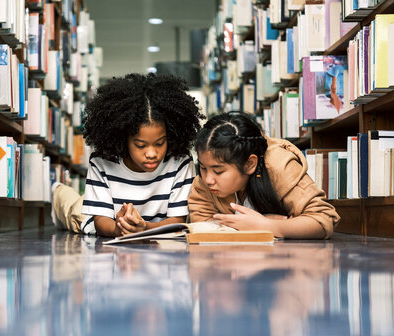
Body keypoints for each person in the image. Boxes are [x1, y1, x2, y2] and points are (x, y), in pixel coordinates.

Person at [52, 73, 203, 236]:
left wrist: (144, 229)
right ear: (123, 139)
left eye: (160, 143)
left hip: (148, 227)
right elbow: (101, 222)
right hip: (103, 222)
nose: (152, 153)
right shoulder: (101, 161)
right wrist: (121, 228)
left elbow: (178, 222)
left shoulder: (181, 161)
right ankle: (57, 190)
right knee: (72, 208)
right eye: (140, 145)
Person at [188, 111, 340, 239]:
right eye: (202, 168)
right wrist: (253, 225)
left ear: (250, 164)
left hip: (286, 265)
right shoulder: (204, 181)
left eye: (219, 171)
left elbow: (323, 220)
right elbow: (202, 226)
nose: (208, 179)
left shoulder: (280, 166)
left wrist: (268, 225)